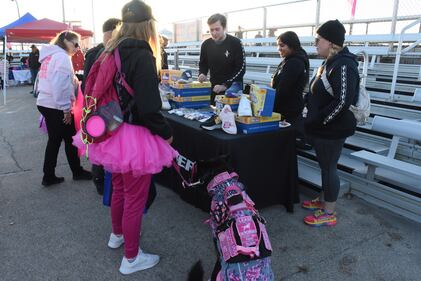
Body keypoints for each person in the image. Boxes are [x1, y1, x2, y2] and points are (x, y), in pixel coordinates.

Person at [76, 0, 176, 274]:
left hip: (112, 130)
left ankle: (117, 235)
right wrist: (166, 134)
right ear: (148, 25)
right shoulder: (142, 54)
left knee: (119, 188)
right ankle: (131, 258)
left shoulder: (111, 49)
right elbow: (149, 107)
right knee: (135, 197)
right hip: (134, 135)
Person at [303, 20, 359, 227]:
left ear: (331, 42)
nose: (315, 43)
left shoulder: (344, 64)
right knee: (325, 166)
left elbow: (343, 100)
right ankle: (324, 200)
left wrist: (322, 121)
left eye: (319, 39)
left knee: (329, 168)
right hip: (324, 126)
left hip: (332, 128)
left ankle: (329, 212)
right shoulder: (330, 61)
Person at [36, 31, 92, 186]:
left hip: (47, 102)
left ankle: (60, 174)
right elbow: (59, 85)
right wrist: (65, 109)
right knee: (62, 139)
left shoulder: (51, 55)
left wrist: (74, 81)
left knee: (63, 139)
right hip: (54, 104)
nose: (77, 48)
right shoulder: (61, 57)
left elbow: (56, 80)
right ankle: (57, 175)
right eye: (75, 43)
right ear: (65, 41)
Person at [82, 18, 121, 194]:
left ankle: (103, 183)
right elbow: (88, 84)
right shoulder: (101, 53)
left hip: (97, 107)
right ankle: (101, 183)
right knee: (101, 147)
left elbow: (85, 85)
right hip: (104, 108)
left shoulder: (98, 52)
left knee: (101, 146)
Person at [198, 13, 245, 129]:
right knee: (215, 115)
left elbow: (241, 68)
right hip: (215, 86)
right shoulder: (206, 44)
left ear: (224, 28)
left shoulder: (235, 43)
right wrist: (202, 73)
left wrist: (225, 85)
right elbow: (203, 63)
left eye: (217, 29)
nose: (214, 33)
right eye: (211, 30)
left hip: (233, 87)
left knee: (230, 122)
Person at [271, 31, 311, 150]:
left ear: (292, 45)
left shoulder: (295, 62)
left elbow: (282, 90)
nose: (279, 49)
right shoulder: (291, 59)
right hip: (288, 109)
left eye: (282, 45)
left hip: (288, 112)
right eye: (278, 45)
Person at [82, 18, 121, 92]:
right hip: (105, 101)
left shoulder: (92, 54)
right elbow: (86, 85)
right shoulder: (93, 54)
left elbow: (85, 85)